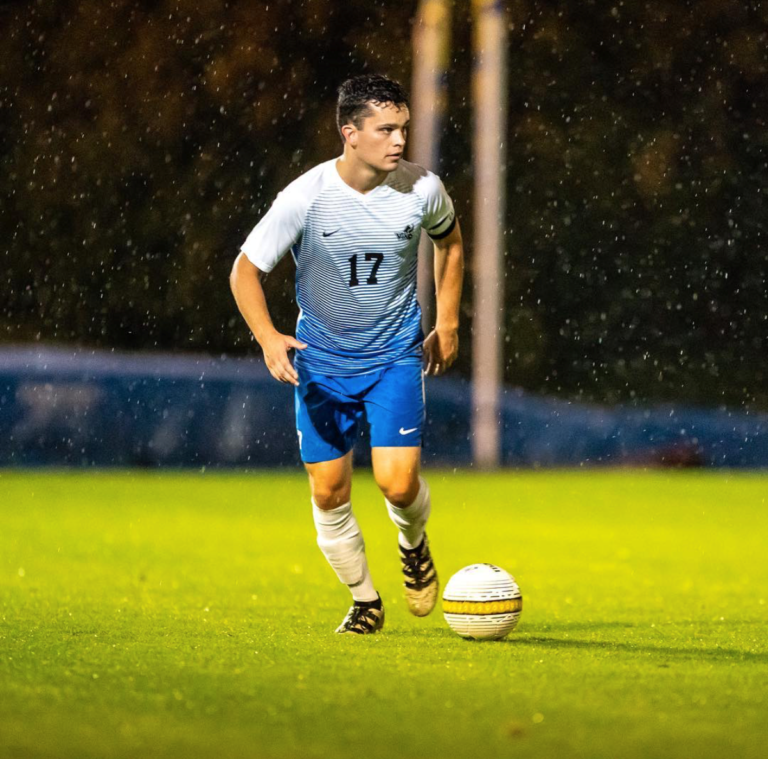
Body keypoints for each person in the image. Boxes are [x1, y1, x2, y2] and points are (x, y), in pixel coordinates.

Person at [230, 74, 464, 635]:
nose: (399, 140)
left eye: (403, 128)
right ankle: (365, 601)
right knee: (329, 490)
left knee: (397, 483)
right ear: (349, 134)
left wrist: (448, 323)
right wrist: (268, 337)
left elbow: (449, 242)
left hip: (393, 358)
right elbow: (244, 272)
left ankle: (413, 545)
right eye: (386, 129)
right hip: (323, 364)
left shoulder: (424, 189)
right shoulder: (305, 197)